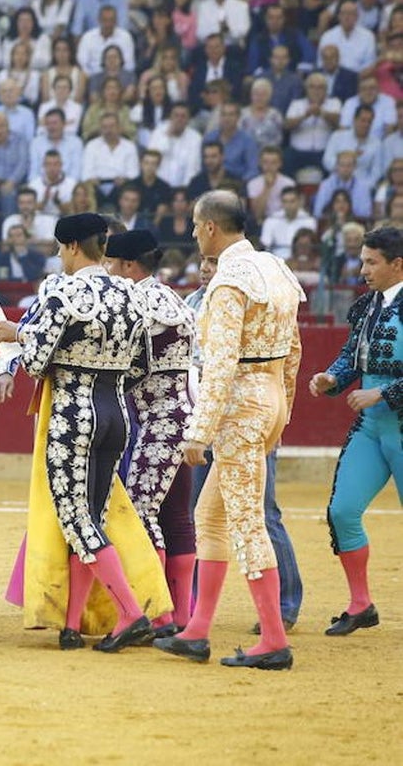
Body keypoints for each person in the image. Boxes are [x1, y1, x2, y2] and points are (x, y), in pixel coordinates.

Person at [0, 212, 155, 652]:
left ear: (73, 248)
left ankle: (131, 613)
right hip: (117, 412)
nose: (61, 257)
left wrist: (17, 334)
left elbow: (38, 362)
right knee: (94, 518)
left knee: (76, 520)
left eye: (62, 249)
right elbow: (143, 365)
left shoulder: (65, 291)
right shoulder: (130, 292)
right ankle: (74, 623)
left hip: (74, 415)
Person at [155, 190, 304, 670]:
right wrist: (282, 413)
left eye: (197, 227)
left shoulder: (227, 283)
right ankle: (197, 629)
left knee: (246, 522)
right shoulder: (277, 270)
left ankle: (275, 640)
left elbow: (219, 365)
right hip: (269, 397)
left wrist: (200, 432)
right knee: (210, 517)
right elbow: (295, 350)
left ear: (210, 228)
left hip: (239, 407)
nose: (195, 234)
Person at [308, 225, 403, 637]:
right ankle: (360, 604)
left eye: (371, 262)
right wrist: (332, 376)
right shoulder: (366, 306)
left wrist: (381, 393)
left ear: (397, 265)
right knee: (343, 511)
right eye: (362, 260)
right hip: (371, 428)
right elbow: (351, 355)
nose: (362, 268)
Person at [103, 230, 197, 637]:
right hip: (178, 416)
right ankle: (181, 616)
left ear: (127, 266)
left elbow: (118, 355)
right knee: (175, 517)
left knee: (142, 513)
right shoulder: (170, 297)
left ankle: (158, 613)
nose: (106, 271)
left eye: (110, 264)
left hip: (160, 424)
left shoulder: (136, 301)